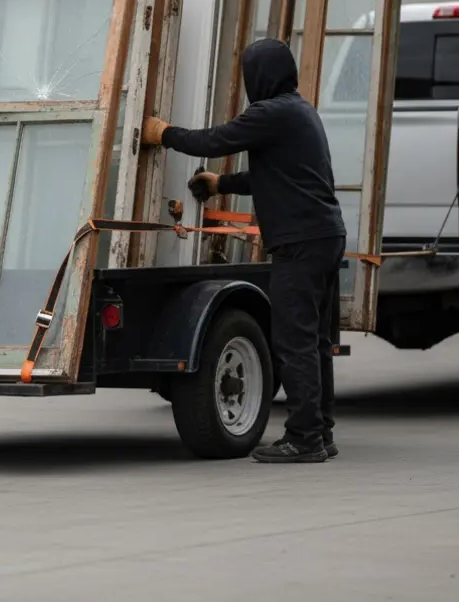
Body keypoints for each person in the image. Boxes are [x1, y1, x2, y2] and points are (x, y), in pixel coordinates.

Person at [140, 38, 346, 463]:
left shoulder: (270, 113)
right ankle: (320, 431)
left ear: (260, 76)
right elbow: (273, 176)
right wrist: (221, 185)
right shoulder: (300, 111)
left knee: (294, 341)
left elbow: (216, 140)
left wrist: (166, 135)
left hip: (301, 243)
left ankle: (304, 438)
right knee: (315, 341)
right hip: (324, 237)